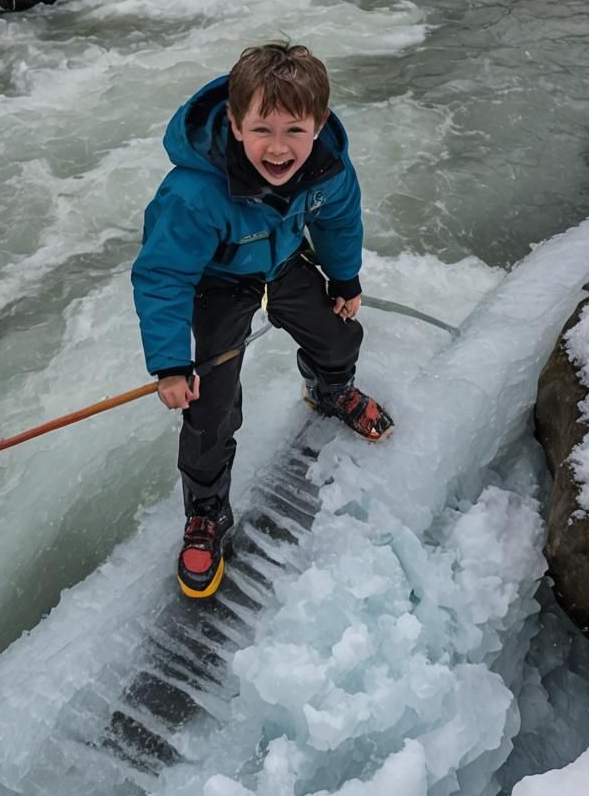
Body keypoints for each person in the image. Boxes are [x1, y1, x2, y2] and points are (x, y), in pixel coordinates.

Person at [132, 42, 393, 599]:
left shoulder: (329, 170)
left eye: (295, 131)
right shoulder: (194, 195)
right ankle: (205, 514)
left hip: (280, 261)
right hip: (217, 284)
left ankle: (330, 390)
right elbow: (163, 276)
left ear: (319, 125)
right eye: (262, 130)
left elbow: (340, 221)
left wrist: (344, 278)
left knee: (338, 334)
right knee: (212, 404)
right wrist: (172, 363)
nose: (278, 149)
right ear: (234, 122)